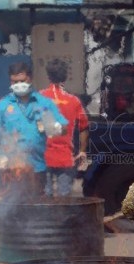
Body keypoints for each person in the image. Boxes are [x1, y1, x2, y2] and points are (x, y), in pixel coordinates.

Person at [0, 62, 68, 199]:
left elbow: (64, 128)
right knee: (9, 207)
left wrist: (55, 127)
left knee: (36, 206)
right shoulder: (3, 105)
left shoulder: (44, 103)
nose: (18, 85)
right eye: (14, 82)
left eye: (22, 81)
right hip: (11, 168)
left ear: (30, 78)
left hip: (37, 168)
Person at [41, 58, 89, 197]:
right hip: (66, 157)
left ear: (48, 76)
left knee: (45, 198)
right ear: (65, 77)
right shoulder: (73, 101)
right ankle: (62, 219)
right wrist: (82, 151)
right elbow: (84, 127)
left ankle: (45, 219)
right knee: (65, 199)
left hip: (44, 158)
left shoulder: (40, 98)